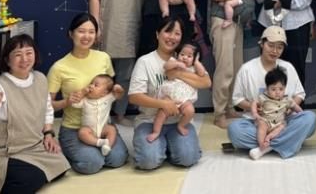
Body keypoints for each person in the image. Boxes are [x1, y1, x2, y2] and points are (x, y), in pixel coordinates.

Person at [0, 34, 69, 193]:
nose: (24, 59)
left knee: (61, 165)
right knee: (31, 178)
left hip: (33, 146)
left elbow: (47, 109)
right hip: (1, 151)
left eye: (29, 53)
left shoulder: (40, 79)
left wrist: (48, 134)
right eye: (18, 55)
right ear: (7, 60)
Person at [48, 13, 129, 174]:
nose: (86, 36)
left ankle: (95, 147)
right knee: (92, 163)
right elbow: (47, 106)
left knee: (117, 159)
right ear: (71, 34)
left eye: (91, 32)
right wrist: (66, 102)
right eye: (81, 31)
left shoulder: (103, 58)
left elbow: (110, 91)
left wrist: (118, 93)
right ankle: (70, 148)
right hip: (74, 128)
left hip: (102, 125)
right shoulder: (59, 67)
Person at [129, 17, 212, 170]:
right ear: (157, 34)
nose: (172, 37)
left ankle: (168, 145)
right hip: (150, 120)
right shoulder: (145, 62)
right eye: (167, 31)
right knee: (148, 161)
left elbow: (206, 82)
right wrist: (164, 104)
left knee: (188, 158)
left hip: (179, 120)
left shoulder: (186, 57)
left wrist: (178, 74)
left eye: (177, 33)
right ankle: (162, 144)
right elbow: (134, 96)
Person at [227, 26, 316, 160]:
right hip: (257, 122)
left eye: (279, 47)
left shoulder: (288, 67)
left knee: (310, 118)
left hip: (284, 121)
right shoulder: (247, 69)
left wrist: (288, 108)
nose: (275, 51)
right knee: (234, 130)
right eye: (270, 45)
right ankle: (287, 141)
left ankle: (266, 146)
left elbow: (299, 94)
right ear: (261, 44)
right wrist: (253, 107)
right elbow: (237, 99)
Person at [88, 0, 143, 123]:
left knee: (126, 76)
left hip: (132, 28)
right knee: (101, 75)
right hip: (107, 27)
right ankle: (99, 116)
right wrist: (95, 27)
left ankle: (120, 114)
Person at [201, 0, 254, 128]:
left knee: (236, 66)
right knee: (224, 69)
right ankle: (219, 113)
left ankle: (231, 107)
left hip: (238, 19)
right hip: (220, 19)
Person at [147, 41, 206, 142]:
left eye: (189, 56)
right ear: (177, 54)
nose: (185, 58)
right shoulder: (174, 61)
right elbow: (166, 66)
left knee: (190, 111)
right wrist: (177, 63)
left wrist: (197, 62)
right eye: (182, 54)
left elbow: (202, 74)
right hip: (169, 96)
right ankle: (156, 131)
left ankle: (181, 125)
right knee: (161, 114)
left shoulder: (193, 68)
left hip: (185, 98)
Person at [251, 67, 303, 159]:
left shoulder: (287, 100)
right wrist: (255, 113)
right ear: (267, 89)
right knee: (261, 124)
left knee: (283, 127)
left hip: (278, 124)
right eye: (273, 89)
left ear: (285, 88)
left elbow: (295, 106)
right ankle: (261, 144)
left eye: (281, 89)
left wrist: (302, 113)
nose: (277, 92)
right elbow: (254, 103)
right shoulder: (263, 97)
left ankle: (269, 138)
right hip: (266, 122)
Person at [71, 74, 123, 156]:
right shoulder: (85, 100)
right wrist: (82, 93)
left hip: (103, 128)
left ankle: (108, 146)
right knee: (82, 132)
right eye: (91, 83)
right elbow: (74, 104)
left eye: (96, 85)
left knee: (112, 129)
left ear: (104, 92)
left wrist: (118, 89)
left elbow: (118, 95)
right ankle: (99, 142)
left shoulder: (108, 98)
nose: (91, 86)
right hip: (89, 129)